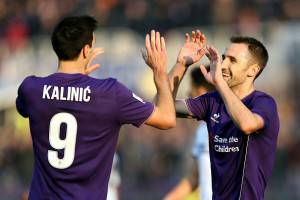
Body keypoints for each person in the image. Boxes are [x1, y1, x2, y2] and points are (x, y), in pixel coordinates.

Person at [15, 15, 175, 199]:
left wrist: (75, 84)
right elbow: (167, 118)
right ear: (85, 51)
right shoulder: (110, 93)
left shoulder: (31, 88)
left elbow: (37, 105)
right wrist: (160, 72)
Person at [168, 30, 280, 199]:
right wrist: (181, 65)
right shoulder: (212, 101)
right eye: (224, 57)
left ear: (253, 70)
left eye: (232, 60)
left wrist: (220, 83)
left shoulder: (264, 103)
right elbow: (163, 108)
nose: (223, 64)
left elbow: (247, 124)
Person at [164, 67, 213, 200]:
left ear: (201, 91)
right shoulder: (202, 130)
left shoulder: (232, 126)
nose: (188, 92)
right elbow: (194, 177)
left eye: (192, 87)